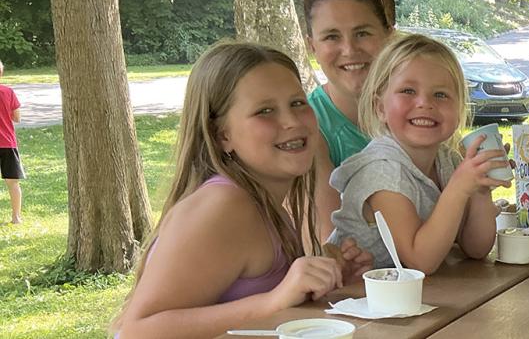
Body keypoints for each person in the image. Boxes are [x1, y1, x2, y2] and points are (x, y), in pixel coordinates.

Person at [112, 43, 373, 338]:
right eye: (265, 111)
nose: (291, 121)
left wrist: (324, 281)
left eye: (298, 103)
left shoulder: (267, 204)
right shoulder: (225, 206)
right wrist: (274, 299)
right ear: (222, 135)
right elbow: (137, 331)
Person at [327, 34, 506, 274]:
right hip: (352, 297)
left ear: (459, 109)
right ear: (380, 108)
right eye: (408, 91)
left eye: (441, 94)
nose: (424, 103)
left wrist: (481, 190)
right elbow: (420, 260)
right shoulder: (381, 171)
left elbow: (475, 248)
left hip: (414, 298)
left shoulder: (447, 162)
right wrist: (459, 188)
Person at [303, 0, 394, 239]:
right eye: (331, 36)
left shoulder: (416, 108)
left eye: (362, 33)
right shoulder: (306, 127)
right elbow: (332, 242)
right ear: (312, 46)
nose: (349, 49)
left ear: (388, 37)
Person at [0, 59, 23, 225]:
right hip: (7, 142)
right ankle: (16, 217)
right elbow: (17, 117)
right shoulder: (8, 92)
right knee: (13, 182)